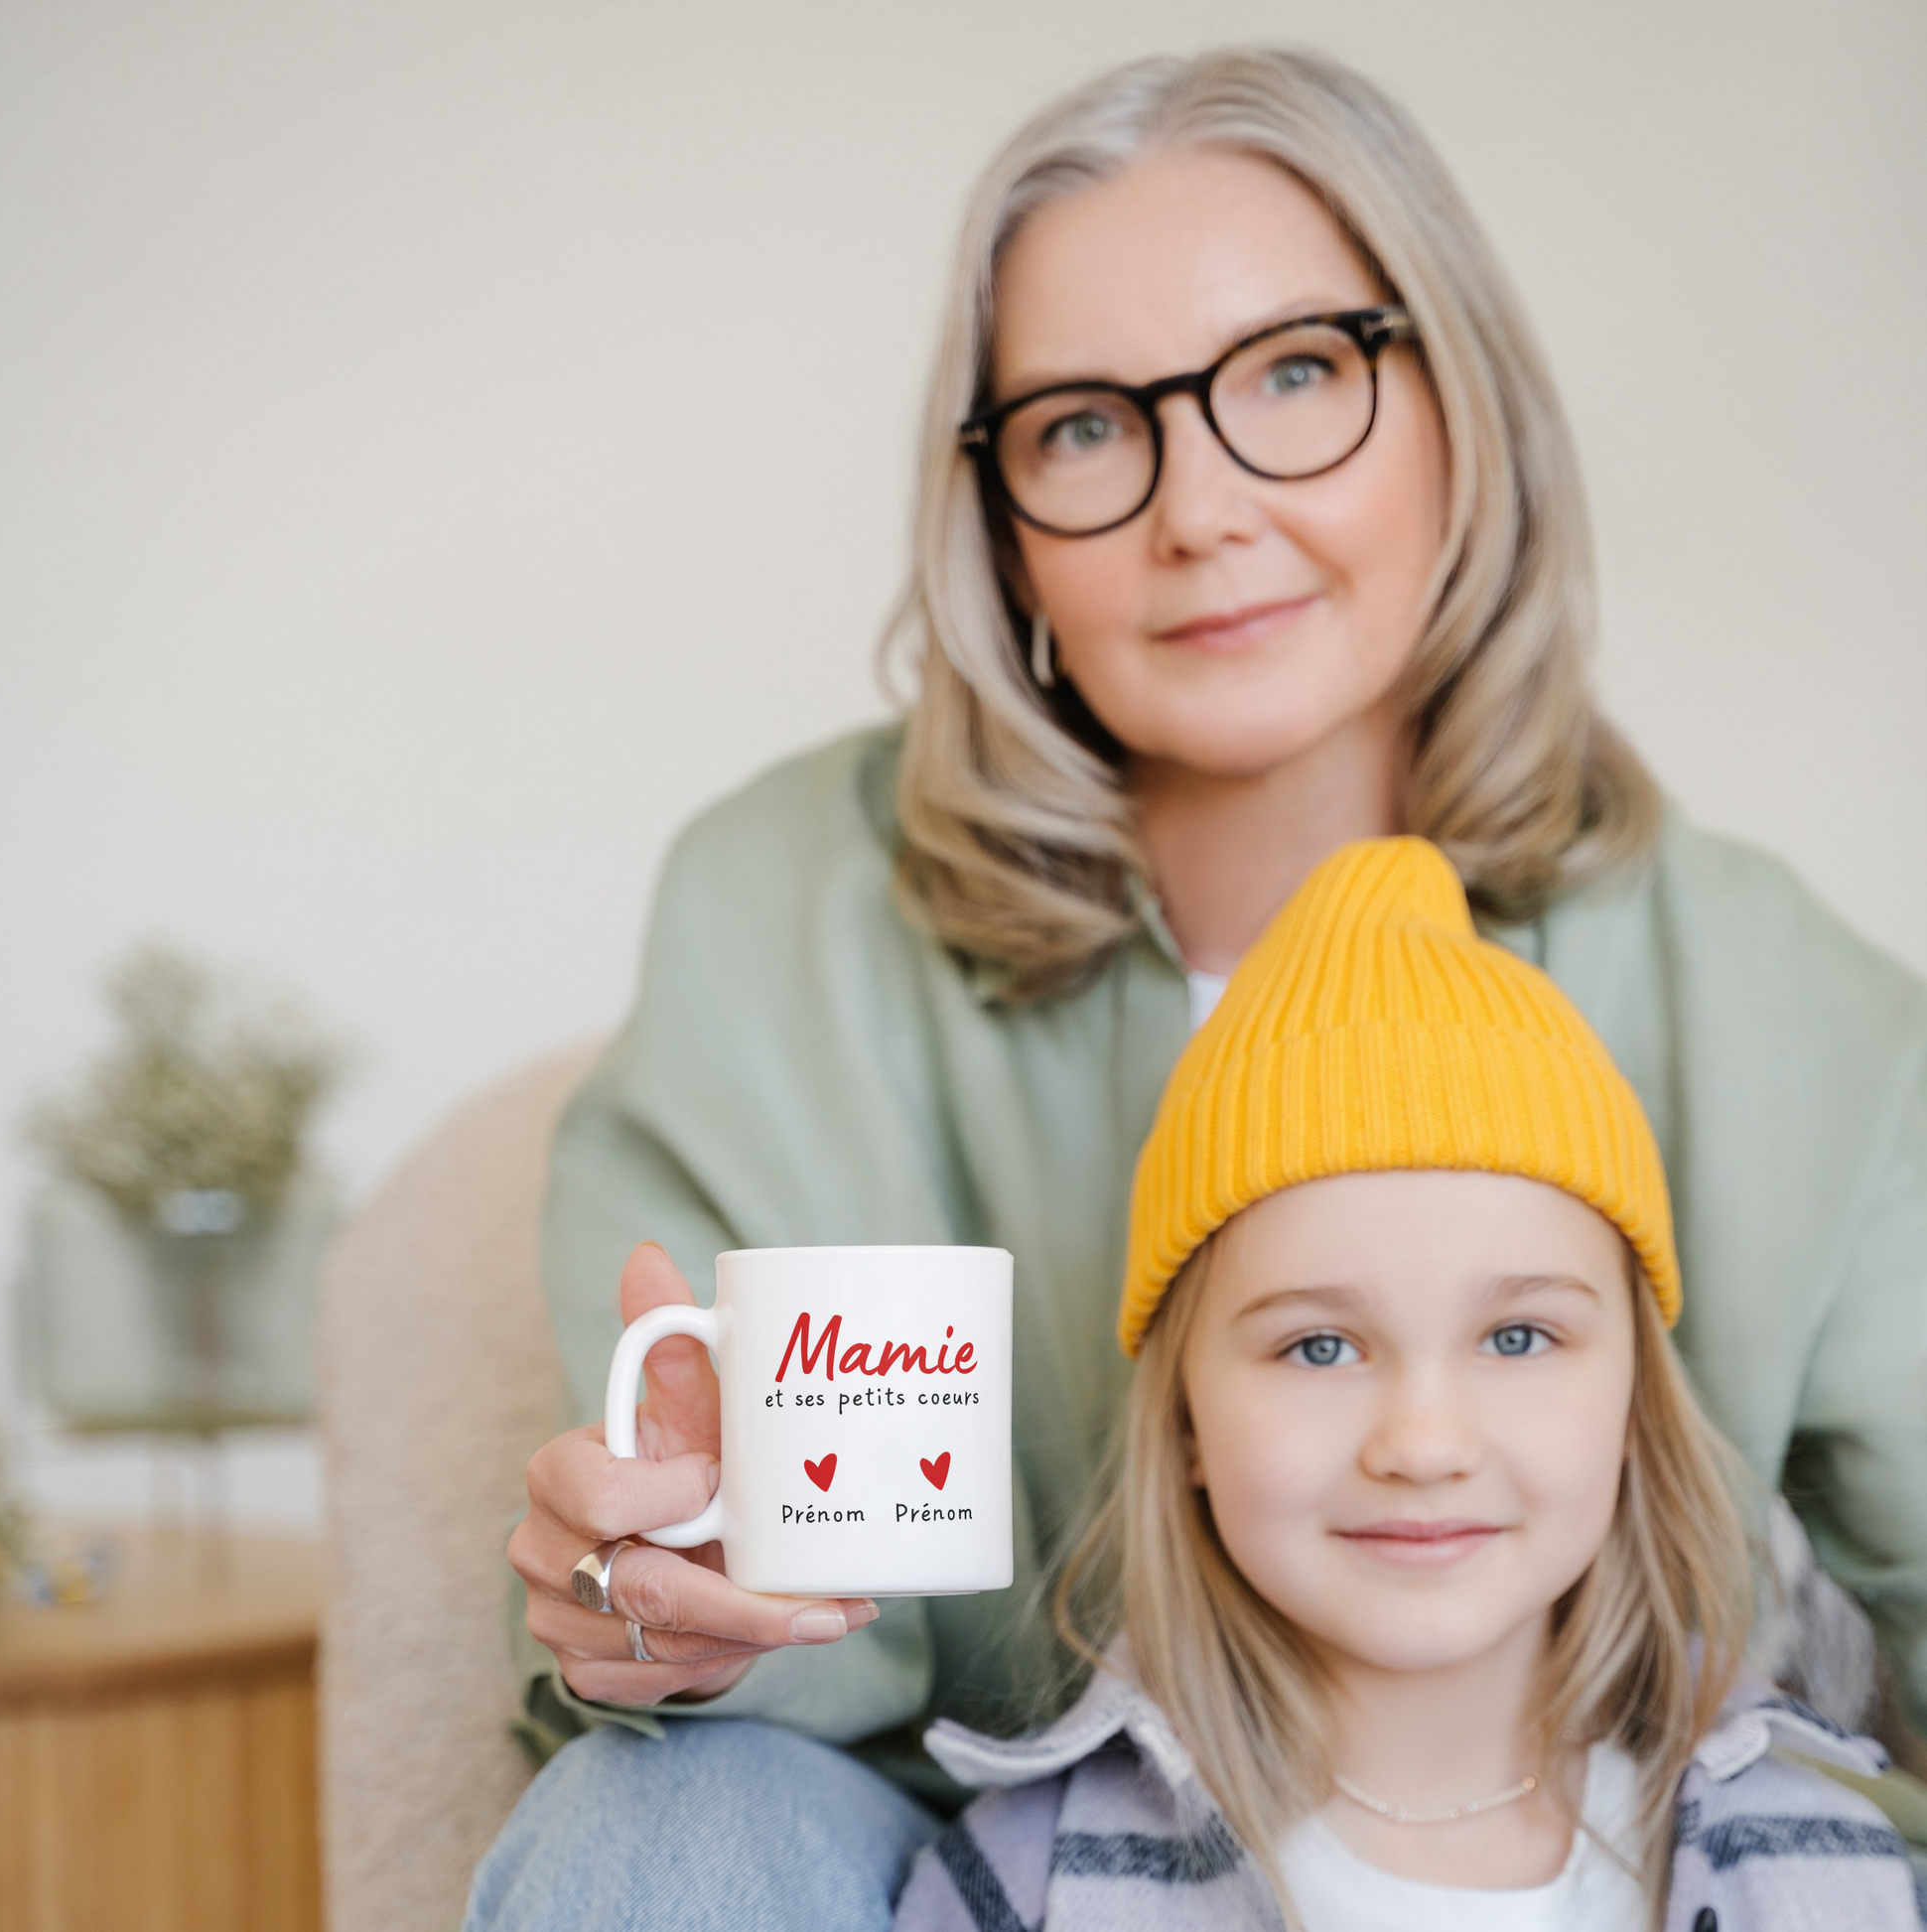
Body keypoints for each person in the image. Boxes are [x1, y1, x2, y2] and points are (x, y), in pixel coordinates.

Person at [466, 44, 1927, 1932]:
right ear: (998, 523)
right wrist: (665, 1612)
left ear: (1457, 410)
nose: (1202, 509)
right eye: (1083, 425)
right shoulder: (789, 923)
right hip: (961, 1865)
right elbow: (792, 1671)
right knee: (658, 1826)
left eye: (1298, 376)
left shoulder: (1779, 999)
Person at [895, 837, 1924, 1931]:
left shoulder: (1831, 1871)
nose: (1423, 1442)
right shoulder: (1026, 1883)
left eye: (1518, 1336)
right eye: (1320, 1347)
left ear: (1632, 1402)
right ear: (1187, 1417)